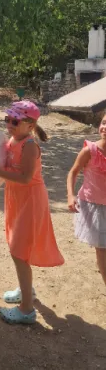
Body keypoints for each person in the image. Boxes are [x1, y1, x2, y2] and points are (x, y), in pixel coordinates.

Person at [0, 100, 64, 325]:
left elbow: (26, 178)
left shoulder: (29, 145)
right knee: (16, 246)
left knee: (19, 252)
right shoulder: (14, 139)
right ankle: (26, 289)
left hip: (30, 200)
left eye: (15, 121)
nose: (9, 124)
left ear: (30, 125)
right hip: (16, 198)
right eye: (7, 119)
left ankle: (26, 309)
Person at [67, 111, 106, 287]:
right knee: (102, 248)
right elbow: (73, 172)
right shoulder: (89, 151)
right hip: (94, 207)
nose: (105, 127)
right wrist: (71, 195)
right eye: (103, 123)